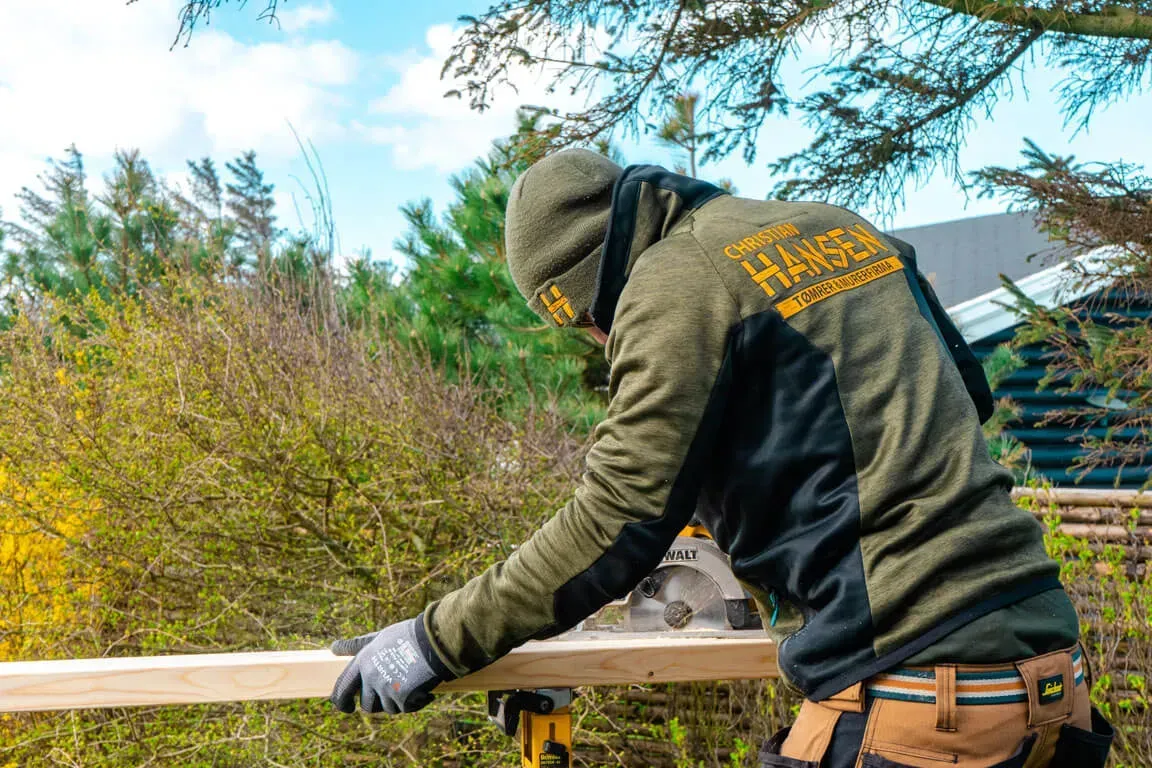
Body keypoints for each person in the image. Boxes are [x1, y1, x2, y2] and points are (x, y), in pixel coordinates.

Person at [329, 150, 1113, 767]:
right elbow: (957, 402)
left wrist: (435, 641)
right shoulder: (837, 226)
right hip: (1053, 674)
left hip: (920, 696)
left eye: (589, 327)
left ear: (586, 291)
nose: (603, 342)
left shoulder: (673, 282)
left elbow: (618, 518)